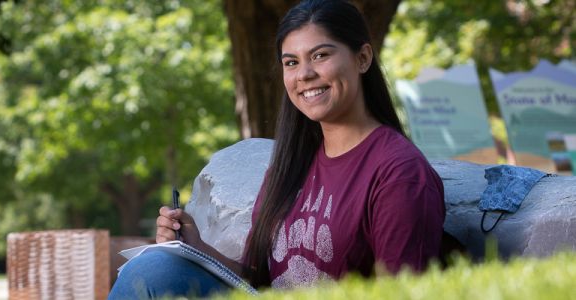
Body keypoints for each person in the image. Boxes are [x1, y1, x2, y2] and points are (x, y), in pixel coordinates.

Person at [108, 0, 445, 298]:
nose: (305, 74)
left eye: (321, 55)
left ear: (362, 58)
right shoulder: (292, 164)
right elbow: (260, 282)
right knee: (154, 267)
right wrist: (197, 248)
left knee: (151, 276)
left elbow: (405, 292)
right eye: (291, 62)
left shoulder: (399, 172)